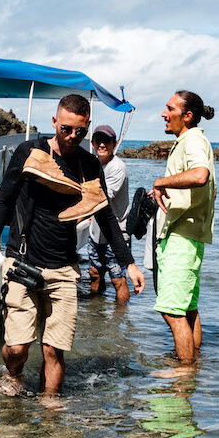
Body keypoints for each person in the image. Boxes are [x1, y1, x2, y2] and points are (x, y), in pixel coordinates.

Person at [0, 95, 145, 397]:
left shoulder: (89, 164)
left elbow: (105, 215)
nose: (73, 136)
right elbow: (3, 200)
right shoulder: (29, 152)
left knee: (54, 350)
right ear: (54, 122)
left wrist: (128, 262)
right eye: (66, 129)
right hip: (22, 262)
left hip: (64, 268)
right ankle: (13, 374)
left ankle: (50, 410)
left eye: (80, 131)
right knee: (17, 348)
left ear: (87, 127)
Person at [150, 90, 215, 364]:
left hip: (181, 238)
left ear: (187, 116)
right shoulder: (191, 141)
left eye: (170, 109)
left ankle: (183, 376)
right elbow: (209, 188)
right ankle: (193, 366)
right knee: (187, 309)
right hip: (188, 236)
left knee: (172, 312)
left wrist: (161, 182)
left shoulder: (192, 141)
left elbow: (201, 175)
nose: (164, 114)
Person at [87, 124, 132, 303]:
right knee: (94, 274)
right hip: (96, 233)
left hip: (116, 234)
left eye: (106, 141)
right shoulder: (92, 164)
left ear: (115, 143)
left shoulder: (117, 167)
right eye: (98, 140)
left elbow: (102, 198)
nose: (102, 145)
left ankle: (120, 316)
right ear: (92, 143)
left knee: (118, 280)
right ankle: (94, 312)